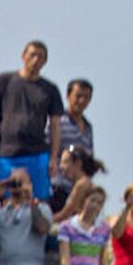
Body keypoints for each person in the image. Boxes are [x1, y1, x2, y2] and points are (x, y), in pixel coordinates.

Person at [0, 40, 63, 201]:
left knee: (38, 200)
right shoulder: (4, 80)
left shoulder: (50, 89)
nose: (36, 60)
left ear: (45, 62)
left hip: (37, 153)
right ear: (23, 56)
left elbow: (55, 125)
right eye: (32, 55)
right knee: (2, 199)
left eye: (40, 57)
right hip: (6, 152)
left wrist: (54, 158)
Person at [57, 186, 112, 265]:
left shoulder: (103, 229)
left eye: (99, 203)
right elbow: (65, 258)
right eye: (92, 200)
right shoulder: (67, 226)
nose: (95, 205)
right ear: (84, 200)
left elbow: (101, 257)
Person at [49, 79, 95, 214]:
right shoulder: (57, 121)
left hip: (79, 193)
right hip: (58, 188)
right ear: (68, 96)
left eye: (86, 97)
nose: (82, 101)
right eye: (78, 96)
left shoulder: (87, 127)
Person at [51, 146, 107, 225]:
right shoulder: (84, 183)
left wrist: (46, 220)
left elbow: (64, 215)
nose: (61, 167)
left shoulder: (82, 184)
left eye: (65, 162)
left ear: (78, 163)